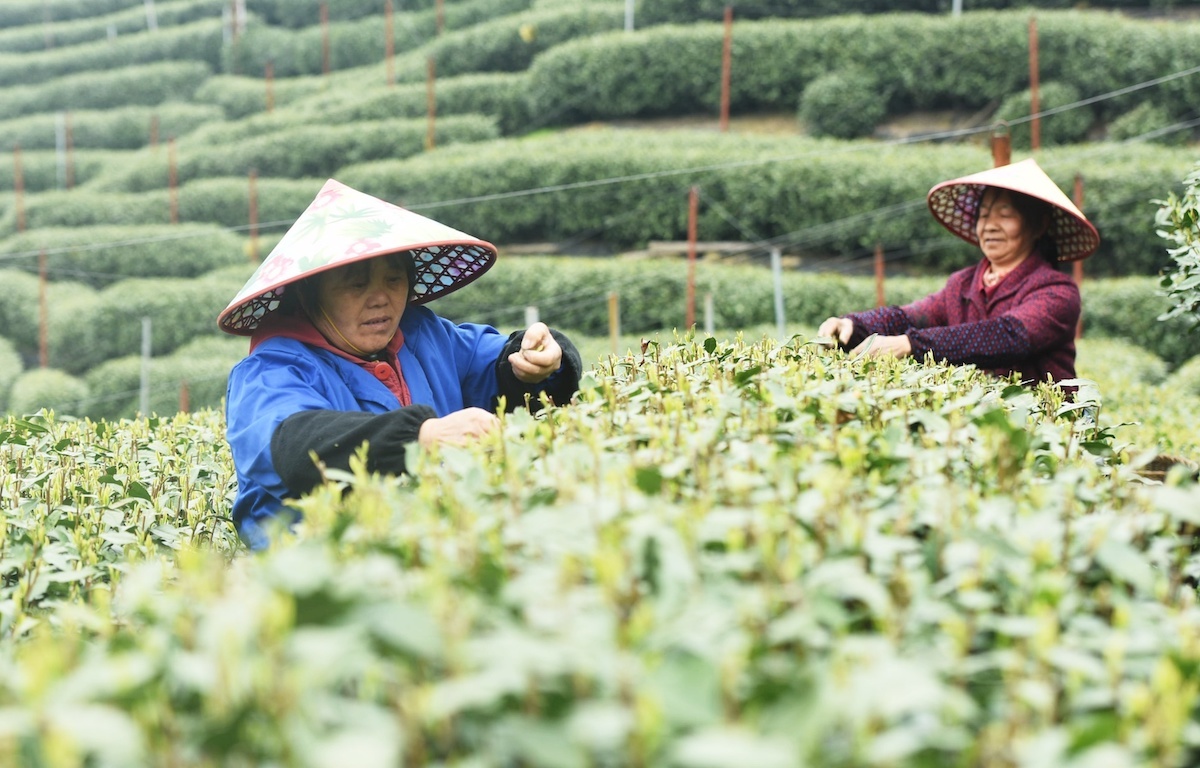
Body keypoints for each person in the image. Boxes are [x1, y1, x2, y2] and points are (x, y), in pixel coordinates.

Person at [218, 179, 582, 550]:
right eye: (356, 284)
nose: (381, 299)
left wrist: (533, 359)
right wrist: (420, 437)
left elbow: (491, 362)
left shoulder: (423, 334)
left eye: (393, 280)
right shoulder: (271, 370)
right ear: (310, 296)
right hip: (329, 570)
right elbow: (292, 447)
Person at [817, 158, 1100, 386]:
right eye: (984, 214)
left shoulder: (1057, 291)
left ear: (1038, 226)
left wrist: (911, 345)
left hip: (1050, 429)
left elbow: (1008, 336)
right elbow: (909, 316)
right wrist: (854, 325)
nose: (990, 225)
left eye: (1005, 214)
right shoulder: (962, 284)